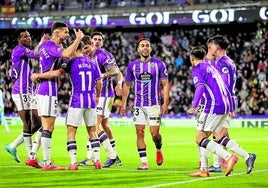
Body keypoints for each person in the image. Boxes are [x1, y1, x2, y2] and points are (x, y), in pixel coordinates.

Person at [31, 40, 102, 170]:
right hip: (91, 101)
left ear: (75, 49)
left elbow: (57, 73)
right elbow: (99, 82)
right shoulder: (93, 62)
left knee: (71, 132)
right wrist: (97, 96)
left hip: (76, 101)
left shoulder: (71, 62)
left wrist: (38, 75)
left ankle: (73, 162)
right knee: (92, 131)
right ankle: (97, 160)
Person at [187, 45, 242, 177]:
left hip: (212, 106)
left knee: (199, 138)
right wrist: (231, 107)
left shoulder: (197, 69)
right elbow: (225, 86)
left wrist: (194, 106)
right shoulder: (211, 67)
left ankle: (228, 157)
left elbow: (199, 88)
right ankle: (204, 170)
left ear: (192, 58)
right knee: (208, 137)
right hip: (224, 105)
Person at [35, 22, 84, 170]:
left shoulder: (44, 46)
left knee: (45, 126)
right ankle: (47, 162)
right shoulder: (51, 46)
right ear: (56, 33)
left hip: (42, 89)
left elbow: (38, 52)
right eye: (66, 32)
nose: (68, 35)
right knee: (48, 127)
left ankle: (37, 158)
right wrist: (78, 39)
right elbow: (67, 54)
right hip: (48, 89)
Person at [205, 35, 256, 174]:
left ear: (218, 47)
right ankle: (218, 163)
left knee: (217, 136)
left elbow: (225, 84)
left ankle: (245, 156)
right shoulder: (227, 61)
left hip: (224, 103)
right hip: (227, 102)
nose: (211, 48)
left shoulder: (223, 63)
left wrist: (229, 106)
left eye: (212, 46)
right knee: (219, 136)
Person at [120, 38, 169, 170]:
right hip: (138, 104)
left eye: (147, 45)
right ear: (138, 49)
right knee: (140, 132)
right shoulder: (132, 66)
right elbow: (127, 85)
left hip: (154, 104)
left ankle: (159, 148)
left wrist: (165, 103)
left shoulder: (159, 65)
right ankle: (144, 162)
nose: (145, 48)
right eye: (142, 46)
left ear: (150, 49)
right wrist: (123, 104)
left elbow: (165, 84)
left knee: (155, 135)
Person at [79, 33, 123, 168]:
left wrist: (102, 76)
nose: (97, 41)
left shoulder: (103, 55)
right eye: (95, 39)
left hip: (104, 95)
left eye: (100, 40)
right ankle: (93, 156)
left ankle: (112, 156)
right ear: (90, 41)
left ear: (102, 43)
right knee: (103, 125)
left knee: (95, 125)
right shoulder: (86, 55)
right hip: (94, 94)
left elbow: (115, 70)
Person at [5, 29, 44, 165]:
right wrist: (42, 43)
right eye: (24, 36)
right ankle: (31, 158)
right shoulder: (19, 49)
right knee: (27, 123)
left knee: (39, 123)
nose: (28, 38)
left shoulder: (21, 53)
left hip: (29, 91)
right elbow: (36, 53)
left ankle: (13, 145)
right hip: (22, 91)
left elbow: (13, 74)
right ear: (19, 40)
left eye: (28, 35)